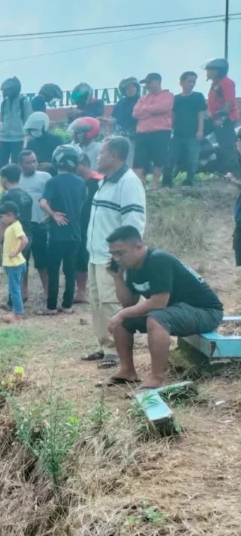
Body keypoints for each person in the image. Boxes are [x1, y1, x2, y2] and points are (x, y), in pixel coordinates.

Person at [104, 225, 222, 389]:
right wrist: (118, 278)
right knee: (123, 321)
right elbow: (128, 303)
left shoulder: (158, 259)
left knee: (155, 319)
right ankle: (127, 371)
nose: (116, 258)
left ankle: (157, 378)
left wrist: (122, 314)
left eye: (120, 253)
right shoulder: (132, 267)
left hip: (206, 312)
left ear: (138, 247)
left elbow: (159, 303)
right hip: (177, 310)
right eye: (113, 254)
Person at [83, 136, 147, 369]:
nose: (96, 157)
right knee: (97, 301)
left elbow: (134, 221)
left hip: (111, 257)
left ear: (114, 155)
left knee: (111, 302)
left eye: (101, 153)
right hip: (95, 253)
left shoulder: (128, 182)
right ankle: (104, 345)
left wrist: (122, 255)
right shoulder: (106, 181)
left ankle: (115, 350)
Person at [39, 145, 87, 314]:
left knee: (53, 269)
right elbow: (79, 204)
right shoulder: (81, 182)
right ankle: (67, 305)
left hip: (57, 233)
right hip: (75, 232)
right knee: (70, 269)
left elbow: (43, 202)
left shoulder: (52, 182)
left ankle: (51, 306)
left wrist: (52, 214)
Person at [0, 164, 36, 309]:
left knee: (12, 269)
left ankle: (12, 303)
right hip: (28, 235)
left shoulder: (7, 197)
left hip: (13, 237)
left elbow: (2, 222)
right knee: (22, 265)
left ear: (4, 179)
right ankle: (22, 293)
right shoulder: (26, 195)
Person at [19, 150, 52, 303]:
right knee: (22, 260)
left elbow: (52, 198)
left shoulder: (45, 177)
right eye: (29, 162)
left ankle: (47, 291)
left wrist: (49, 215)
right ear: (21, 165)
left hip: (40, 224)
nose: (33, 164)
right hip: (22, 226)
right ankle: (23, 291)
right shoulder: (17, 180)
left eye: (34, 161)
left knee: (42, 260)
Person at [132, 72, 174, 189]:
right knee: (139, 160)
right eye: (146, 83)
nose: (147, 85)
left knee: (158, 159)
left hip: (161, 132)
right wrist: (152, 110)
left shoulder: (168, 95)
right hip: (142, 133)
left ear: (158, 81)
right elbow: (135, 113)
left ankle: (155, 183)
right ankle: (140, 183)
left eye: (149, 82)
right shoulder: (143, 99)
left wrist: (145, 110)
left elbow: (164, 107)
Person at [166, 71, 207, 188]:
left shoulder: (198, 96)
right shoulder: (176, 98)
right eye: (189, 81)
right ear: (181, 82)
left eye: (194, 82)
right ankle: (167, 182)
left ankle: (189, 181)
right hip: (177, 133)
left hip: (193, 133)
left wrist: (200, 130)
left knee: (192, 159)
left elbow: (201, 114)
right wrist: (170, 129)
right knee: (171, 158)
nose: (192, 84)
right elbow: (173, 116)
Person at [74, 152, 103, 303]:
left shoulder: (100, 181)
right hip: (79, 225)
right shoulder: (74, 181)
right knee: (79, 257)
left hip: (98, 225)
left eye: (76, 166)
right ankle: (81, 292)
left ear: (84, 164)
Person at [0, 200, 30, 323]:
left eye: (3, 217)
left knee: (14, 289)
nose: (2, 220)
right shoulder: (13, 226)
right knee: (15, 289)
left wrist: (15, 252)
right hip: (14, 264)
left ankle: (18, 314)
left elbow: (24, 241)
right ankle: (16, 310)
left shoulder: (15, 226)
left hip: (15, 264)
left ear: (10, 214)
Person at [206, 58, 239, 176]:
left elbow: (229, 103)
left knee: (228, 146)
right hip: (216, 118)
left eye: (210, 70)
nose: (207, 72)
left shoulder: (226, 82)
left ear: (218, 71)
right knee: (221, 145)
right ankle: (224, 170)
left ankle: (233, 172)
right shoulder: (216, 83)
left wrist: (222, 118)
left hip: (225, 119)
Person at [0, 77, 32, 169]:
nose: (5, 92)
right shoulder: (4, 103)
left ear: (15, 90)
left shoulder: (23, 102)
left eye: (8, 90)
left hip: (18, 139)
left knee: (16, 166)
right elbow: (3, 120)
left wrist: (26, 139)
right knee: (1, 165)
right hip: (4, 139)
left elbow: (28, 121)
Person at [114, 77, 141, 166]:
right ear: (123, 91)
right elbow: (114, 119)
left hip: (139, 136)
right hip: (124, 136)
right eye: (127, 88)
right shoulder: (120, 103)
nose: (131, 90)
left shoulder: (142, 101)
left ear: (137, 88)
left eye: (133, 87)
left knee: (135, 162)